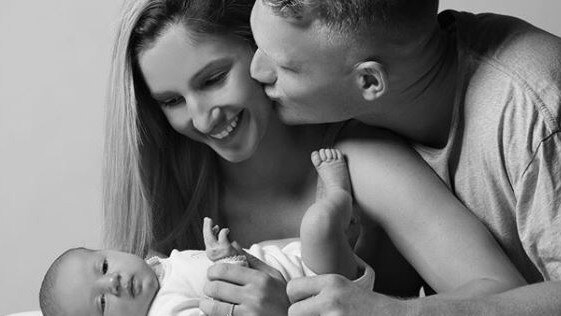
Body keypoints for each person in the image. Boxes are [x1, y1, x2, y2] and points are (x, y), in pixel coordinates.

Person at [105, 0, 526, 315]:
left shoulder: (361, 163)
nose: (201, 117)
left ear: (262, 54)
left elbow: (503, 292)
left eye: (214, 79)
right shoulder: (173, 191)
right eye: (172, 100)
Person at [248, 0, 561, 314]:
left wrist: (394, 313)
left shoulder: (536, 113)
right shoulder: (369, 128)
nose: (256, 70)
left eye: (284, 67)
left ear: (369, 81)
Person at [39, 151, 374, 316]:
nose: (111, 283)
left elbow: (216, 279)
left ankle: (339, 234)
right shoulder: (165, 311)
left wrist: (223, 255)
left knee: (307, 234)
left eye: (103, 267)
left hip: (290, 268)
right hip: (312, 289)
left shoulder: (160, 268)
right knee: (317, 224)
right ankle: (337, 197)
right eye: (100, 303)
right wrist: (230, 264)